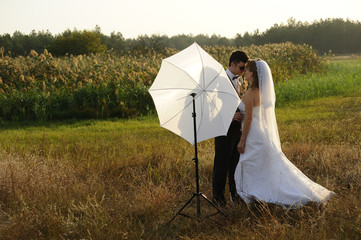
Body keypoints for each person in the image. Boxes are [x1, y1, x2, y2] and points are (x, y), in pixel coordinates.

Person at [235, 59, 335, 207]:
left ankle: (254, 194)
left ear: (253, 74)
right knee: (263, 165)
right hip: (262, 133)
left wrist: (242, 140)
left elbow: (249, 118)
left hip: (252, 135)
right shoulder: (261, 92)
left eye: (247, 70)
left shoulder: (250, 94)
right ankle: (257, 194)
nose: (245, 73)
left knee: (249, 164)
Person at [212, 51, 249, 206]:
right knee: (221, 163)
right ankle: (218, 197)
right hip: (223, 128)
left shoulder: (239, 80)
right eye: (241, 68)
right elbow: (212, 105)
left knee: (235, 163)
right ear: (232, 64)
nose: (243, 71)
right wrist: (230, 115)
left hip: (237, 129)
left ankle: (235, 194)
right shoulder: (219, 80)